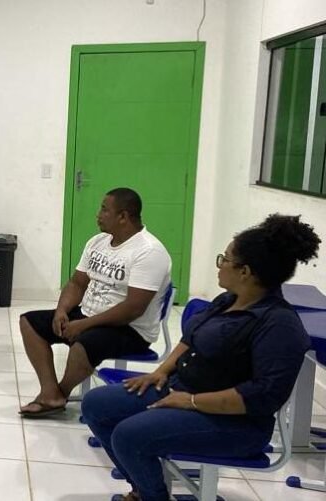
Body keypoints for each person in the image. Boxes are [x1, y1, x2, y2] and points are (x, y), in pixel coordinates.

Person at [81, 214, 320, 501]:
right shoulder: (228, 300)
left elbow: (263, 395)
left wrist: (191, 402)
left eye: (225, 259)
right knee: (96, 404)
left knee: (129, 435)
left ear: (245, 271)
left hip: (234, 423)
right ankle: (144, 488)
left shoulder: (279, 325)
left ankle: (151, 496)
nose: (219, 265)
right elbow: (190, 339)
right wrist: (161, 372)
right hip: (182, 390)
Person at [19, 188, 171, 417]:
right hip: (89, 314)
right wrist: (62, 310)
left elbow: (133, 309)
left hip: (130, 329)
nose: (98, 215)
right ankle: (50, 392)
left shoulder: (149, 252)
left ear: (123, 216)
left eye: (104, 210)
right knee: (30, 322)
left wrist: (83, 325)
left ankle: (61, 392)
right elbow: (77, 283)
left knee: (84, 344)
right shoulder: (98, 242)